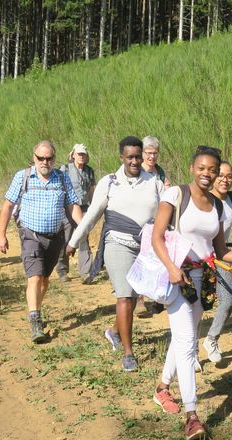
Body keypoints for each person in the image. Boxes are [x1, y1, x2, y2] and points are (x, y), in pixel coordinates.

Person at [151, 145, 232, 440]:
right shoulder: (175, 195)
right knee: (189, 343)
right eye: (202, 168)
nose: (207, 174)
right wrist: (171, 268)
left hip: (203, 279)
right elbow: (157, 237)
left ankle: (162, 388)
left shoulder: (217, 207)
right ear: (193, 168)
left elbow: (221, 252)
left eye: (212, 170)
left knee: (184, 335)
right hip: (177, 277)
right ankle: (193, 416)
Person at [66, 136, 164, 372]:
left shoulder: (154, 182)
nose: (134, 161)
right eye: (129, 157)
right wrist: (74, 241)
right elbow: (92, 215)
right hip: (116, 243)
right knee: (124, 296)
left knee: (131, 298)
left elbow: (167, 214)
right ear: (121, 157)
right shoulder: (110, 182)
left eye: (138, 157)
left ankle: (113, 331)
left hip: (145, 247)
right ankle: (128, 353)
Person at [0, 140, 83, 343]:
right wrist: (1, 233)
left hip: (55, 238)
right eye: (40, 158)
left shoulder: (62, 178)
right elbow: (8, 205)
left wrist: (84, 226)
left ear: (54, 158)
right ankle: (35, 322)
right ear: (34, 157)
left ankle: (36, 308)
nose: (45, 161)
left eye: (49, 158)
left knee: (44, 280)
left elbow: (72, 206)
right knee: (34, 278)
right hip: (30, 235)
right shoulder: (23, 176)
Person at [202, 160, 232, 363]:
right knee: (197, 306)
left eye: (229, 176)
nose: (225, 180)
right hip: (199, 259)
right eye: (220, 175)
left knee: (228, 300)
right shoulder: (203, 199)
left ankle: (211, 339)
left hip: (221, 257)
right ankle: (189, 351)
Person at [56, 144, 96, 282]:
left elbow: (91, 190)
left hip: (84, 208)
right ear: (73, 154)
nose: (81, 156)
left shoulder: (89, 171)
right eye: (79, 154)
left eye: (83, 154)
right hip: (67, 208)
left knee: (83, 237)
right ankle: (62, 271)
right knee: (66, 238)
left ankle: (85, 272)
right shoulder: (64, 169)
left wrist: (93, 206)